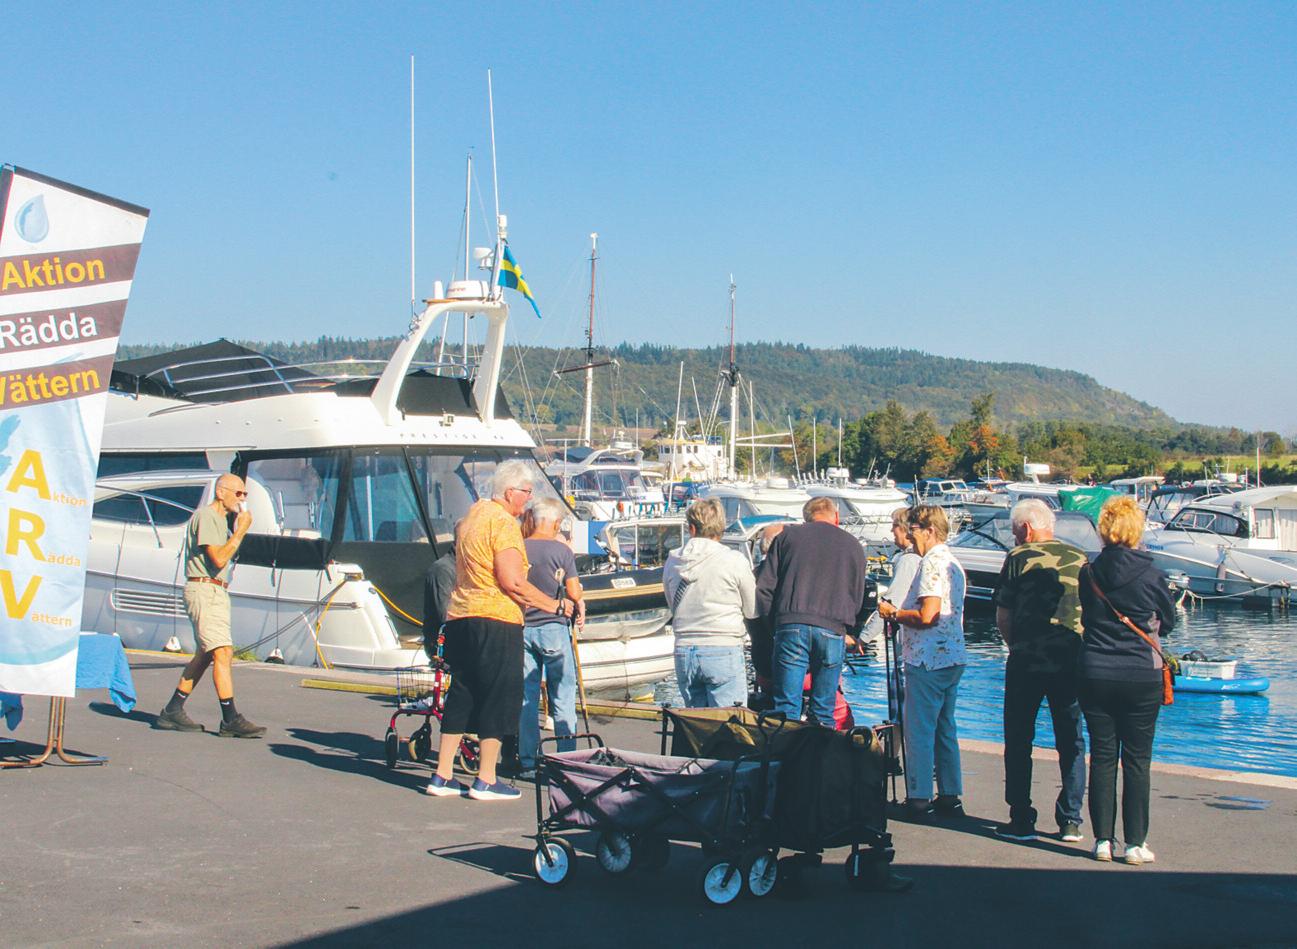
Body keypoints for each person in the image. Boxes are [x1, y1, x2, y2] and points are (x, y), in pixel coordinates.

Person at [428, 460, 577, 802]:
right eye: (526, 492)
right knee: (499, 694)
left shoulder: (472, 516)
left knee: (462, 692)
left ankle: (442, 774)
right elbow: (512, 582)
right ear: (510, 492)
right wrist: (554, 605)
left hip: (461, 614)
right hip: (496, 618)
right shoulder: (503, 524)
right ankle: (486, 778)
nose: (528, 499)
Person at [1078, 496, 1176, 865]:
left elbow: (1087, 617)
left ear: (1104, 529)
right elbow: (1168, 621)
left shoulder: (1088, 572)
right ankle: (1135, 843)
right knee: (1137, 760)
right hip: (1140, 672)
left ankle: (1103, 840)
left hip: (1095, 669)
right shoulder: (1152, 574)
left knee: (1103, 757)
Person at [994, 499, 1089, 843]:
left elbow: (1003, 614)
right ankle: (1071, 819)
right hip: (1071, 661)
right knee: (1071, 739)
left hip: (1027, 660)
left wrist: (1016, 645)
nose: (1015, 537)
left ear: (1027, 529)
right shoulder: (1079, 557)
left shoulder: (1018, 558)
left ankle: (1021, 817)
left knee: (1019, 739)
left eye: (1015, 530)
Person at [155, 473, 266, 738]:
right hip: (205, 589)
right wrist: (241, 530)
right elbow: (217, 558)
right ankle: (230, 718)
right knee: (223, 652)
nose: (242, 499)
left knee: (206, 654)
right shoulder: (208, 517)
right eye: (238, 493)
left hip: (214, 590)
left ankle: (173, 710)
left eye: (245, 494)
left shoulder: (219, 521)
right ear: (221, 492)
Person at [877, 505, 966, 818]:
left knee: (919, 730)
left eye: (913, 529)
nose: (909, 534)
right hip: (951, 655)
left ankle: (919, 797)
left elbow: (929, 614)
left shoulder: (930, 564)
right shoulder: (952, 561)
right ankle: (950, 793)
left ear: (929, 530)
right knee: (945, 727)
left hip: (928, 657)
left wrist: (895, 614)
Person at [756, 496, 869, 726]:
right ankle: (820, 748)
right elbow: (858, 596)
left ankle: (786, 748)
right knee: (824, 710)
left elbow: (765, 588)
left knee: (786, 708)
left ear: (806, 517)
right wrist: (851, 629)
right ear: (836, 516)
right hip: (833, 628)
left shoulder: (787, 537)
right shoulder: (853, 545)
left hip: (791, 624)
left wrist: (774, 626)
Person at [664, 498, 757, 708]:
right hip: (723, 645)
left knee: (697, 721)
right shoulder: (734, 560)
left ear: (691, 528)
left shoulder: (673, 561)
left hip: (684, 648)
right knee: (731, 720)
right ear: (721, 527)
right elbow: (752, 609)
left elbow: (672, 605)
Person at [517, 498, 585, 778]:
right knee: (562, 695)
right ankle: (565, 761)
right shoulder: (561, 551)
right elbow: (574, 592)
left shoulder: (519, 547)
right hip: (554, 626)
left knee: (527, 697)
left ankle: (528, 761)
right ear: (556, 523)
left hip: (524, 626)